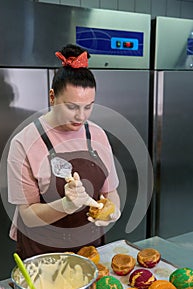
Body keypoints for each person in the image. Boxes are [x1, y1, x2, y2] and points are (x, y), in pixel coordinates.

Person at [7, 44, 121, 259]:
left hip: (89, 247)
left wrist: (113, 211)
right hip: (42, 253)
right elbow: (28, 215)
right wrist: (66, 205)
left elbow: (110, 191)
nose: (81, 117)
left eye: (88, 106)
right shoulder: (24, 142)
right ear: (52, 97)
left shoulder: (97, 135)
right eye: (72, 107)